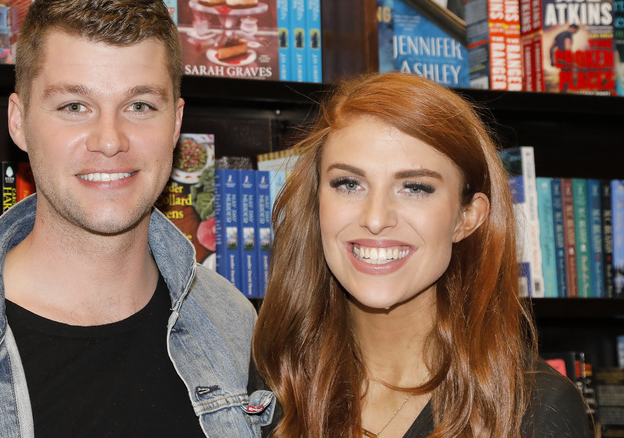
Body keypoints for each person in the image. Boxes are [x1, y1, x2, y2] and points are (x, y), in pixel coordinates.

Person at [0, 1, 274, 436]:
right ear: (19, 122)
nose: (110, 141)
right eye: (74, 106)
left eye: (140, 105)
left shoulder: (231, 320)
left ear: (176, 122)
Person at [252, 72, 592, 438]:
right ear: (317, 202)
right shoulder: (262, 383)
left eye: (414, 187)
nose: (376, 219)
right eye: (349, 184)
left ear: (467, 217)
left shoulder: (537, 409)